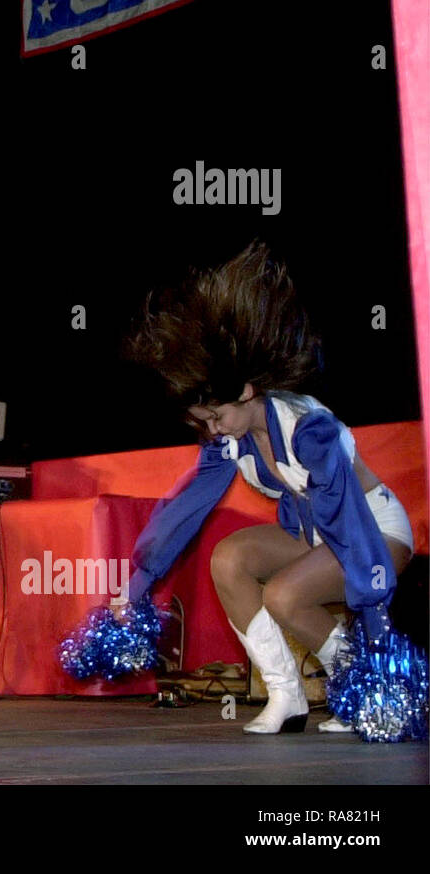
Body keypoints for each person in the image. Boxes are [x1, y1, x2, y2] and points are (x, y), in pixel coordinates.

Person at [121, 243, 414, 734]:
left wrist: (374, 610)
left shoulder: (308, 428)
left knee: (283, 594)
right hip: (315, 533)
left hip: (373, 530)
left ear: (246, 392)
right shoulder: (229, 441)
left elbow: (345, 518)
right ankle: (286, 696)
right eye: (203, 422)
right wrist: (137, 584)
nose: (212, 430)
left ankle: (373, 684)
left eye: (216, 416)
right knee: (228, 557)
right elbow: (184, 508)